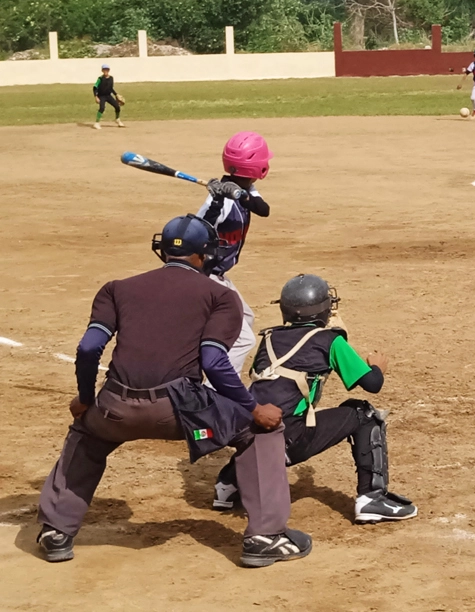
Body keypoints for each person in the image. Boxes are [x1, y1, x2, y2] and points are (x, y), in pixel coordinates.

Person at [35, 212, 311, 568]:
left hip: (115, 407)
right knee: (260, 429)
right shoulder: (220, 296)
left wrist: (86, 399)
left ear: (161, 251)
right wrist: (252, 408)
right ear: (205, 254)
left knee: (86, 433)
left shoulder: (117, 288)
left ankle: (56, 531)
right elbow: (213, 361)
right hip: (179, 411)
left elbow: (89, 348)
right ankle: (265, 536)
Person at [213, 273, 418, 524]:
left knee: (264, 421)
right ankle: (371, 498)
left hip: (244, 434)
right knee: (363, 413)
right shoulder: (331, 341)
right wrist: (376, 367)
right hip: (285, 443)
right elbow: (372, 384)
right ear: (323, 310)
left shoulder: (269, 338)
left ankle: (228, 483)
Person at [198, 132, 273, 376]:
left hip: (217, 275)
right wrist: (218, 200)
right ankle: (218, 390)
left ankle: (210, 368)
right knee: (243, 339)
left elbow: (263, 210)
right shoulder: (220, 200)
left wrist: (240, 194)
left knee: (245, 318)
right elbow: (196, 232)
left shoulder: (244, 189)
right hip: (204, 275)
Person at [93, 64, 124, 130]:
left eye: (107, 69)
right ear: (102, 70)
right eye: (104, 69)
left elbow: (111, 88)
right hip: (101, 96)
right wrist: (96, 96)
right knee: (102, 108)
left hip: (108, 95)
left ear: (109, 70)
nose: (105, 71)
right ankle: (97, 123)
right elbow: (95, 87)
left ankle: (117, 120)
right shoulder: (100, 79)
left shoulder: (111, 78)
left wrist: (116, 94)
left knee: (117, 106)